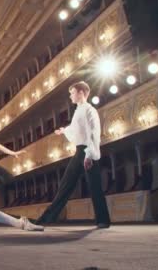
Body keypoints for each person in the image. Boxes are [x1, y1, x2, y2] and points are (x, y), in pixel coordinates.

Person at [35, 81, 110, 228]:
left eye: (72, 93)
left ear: (81, 92)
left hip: (88, 151)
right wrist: (64, 130)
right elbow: (76, 129)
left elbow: (94, 134)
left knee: (95, 187)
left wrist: (89, 155)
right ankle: (45, 220)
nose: (70, 96)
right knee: (65, 185)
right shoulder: (78, 110)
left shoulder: (90, 110)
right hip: (79, 151)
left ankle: (103, 220)